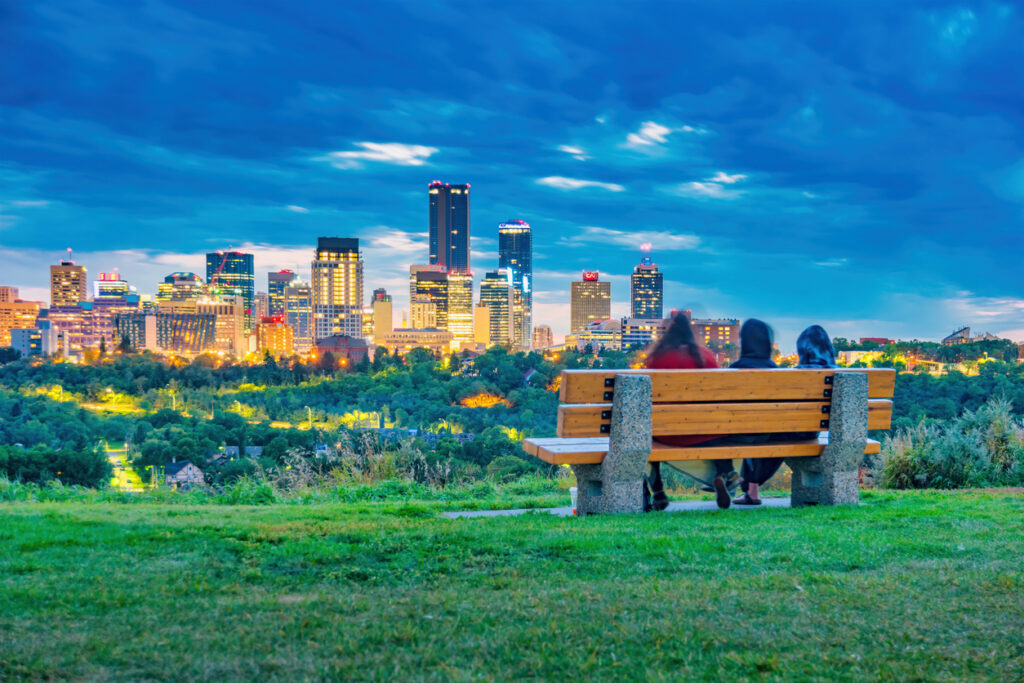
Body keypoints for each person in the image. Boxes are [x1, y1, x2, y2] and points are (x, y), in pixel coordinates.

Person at [734, 324, 839, 505]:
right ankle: (749, 489)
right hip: (813, 432)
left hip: (790, 430)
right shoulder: (838, 373)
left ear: (801, 349)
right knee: (775, 433)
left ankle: (751, 490)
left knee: (763, 433)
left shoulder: (794, 375)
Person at [643, 312, 736, 510]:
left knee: (642, 437)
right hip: (706, 432)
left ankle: (658, 491)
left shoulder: (656, 360)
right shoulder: (707, 357)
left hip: (666, 433)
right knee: (717, 425)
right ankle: (723, 474)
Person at [728, 319, 779, 506]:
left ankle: (725, 480)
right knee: (761, 434)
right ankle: (753, 492)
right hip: (768, 432)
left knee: (750, 433)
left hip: (737, 432)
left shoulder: (735, 369)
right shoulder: (776, 370)